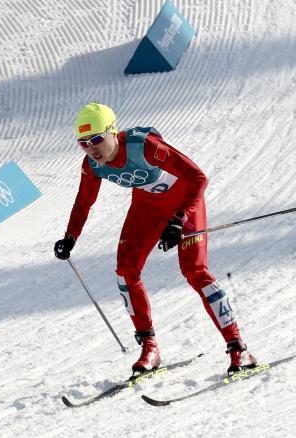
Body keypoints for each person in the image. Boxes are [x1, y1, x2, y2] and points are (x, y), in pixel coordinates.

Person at [54, 103, 257, 375]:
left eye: (97, 139)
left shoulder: (144, 146)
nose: (92, 148)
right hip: (147, 207)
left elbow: (198, 177)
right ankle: (149, 347)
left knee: (194, 270)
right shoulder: (92, 164)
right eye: (83, 143)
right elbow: (83, 202)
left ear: (113, 131)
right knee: (126, 271)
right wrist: (70, 237)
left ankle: (238, 348)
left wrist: (179, 219)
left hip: (184, 204)